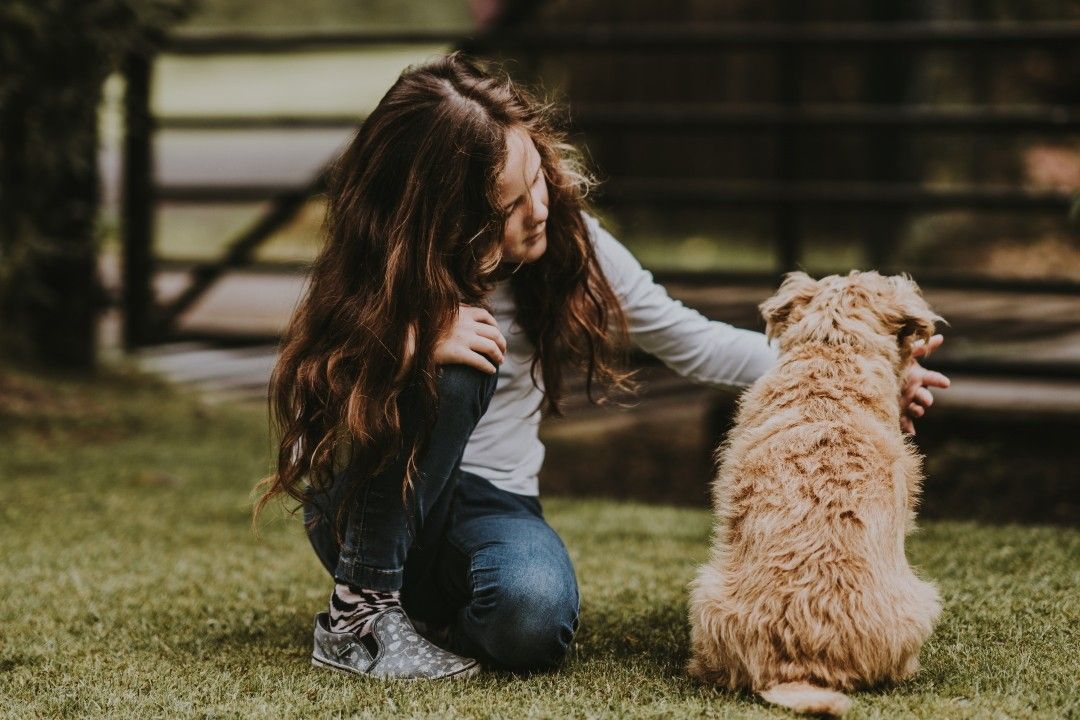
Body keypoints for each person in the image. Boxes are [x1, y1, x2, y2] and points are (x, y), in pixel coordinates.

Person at [254, 53, 950, 680]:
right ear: (449, 217)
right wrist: (409, 342)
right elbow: (314, 383)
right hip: (369, 500)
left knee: (533, 622)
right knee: (461, 362)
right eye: (509, 205)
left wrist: (858, 370)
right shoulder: (384, 264)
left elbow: (688, 338)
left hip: (493, 500)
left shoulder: (568, 240)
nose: (539, 208)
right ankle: (360, 618)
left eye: (537, 178)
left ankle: (428, 620)